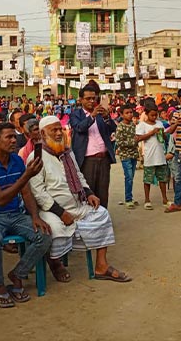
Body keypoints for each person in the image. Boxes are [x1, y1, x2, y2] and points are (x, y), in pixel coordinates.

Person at [30, 116, 131, 283]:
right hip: (52, 211)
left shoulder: (67, 152)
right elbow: (39, 193)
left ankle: (101, 266)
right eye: (53, 130)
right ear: (42, 133)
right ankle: (55, 263)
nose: (58, 133)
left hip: (77, 204)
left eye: (60, 129)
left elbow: (78, 176)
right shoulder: (36, 157)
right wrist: (61, 213)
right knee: (53, 228)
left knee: (102, 214)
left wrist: (89, 193)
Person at [0, 122, 52, 308]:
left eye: (14, 136)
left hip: (14, 215)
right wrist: (26, 176)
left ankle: (18, 274)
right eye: (8, 137)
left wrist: (34, 216)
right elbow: (0, 199)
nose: (13, 140)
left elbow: (25, 192)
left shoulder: (16, 161)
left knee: (45, 235)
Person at [69, 86, 117, 208]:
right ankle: (89, 224)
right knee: (88, 192)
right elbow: (79, 128)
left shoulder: (101, 113)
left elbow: (113, 128)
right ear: (80, 100)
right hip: (87, 160)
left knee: (103, 192)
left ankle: (103, 221)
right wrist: (92, 116)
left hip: (103, 159)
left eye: (93, 98)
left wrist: (107, 117)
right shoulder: (76, 114)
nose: (91, 101)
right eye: (88, 98)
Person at [136, 104, 177, 210]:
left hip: (160, 155)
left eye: (156, 115)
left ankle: (164, 198)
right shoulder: (142, 125)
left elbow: (164, 137)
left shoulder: (159, 123)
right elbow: (138, 138)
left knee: (162, 179)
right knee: (148, 179)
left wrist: (162, 133)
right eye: (152, 115)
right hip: (149, 156)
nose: (154, 117)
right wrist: (151, 133)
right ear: (147, 114)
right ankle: (147, 199)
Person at [115, 104, 140, 208]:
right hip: (125, 155)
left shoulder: (133, 125)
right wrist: (133, 141)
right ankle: (128, 199)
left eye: (131, 112)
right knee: (128, 177)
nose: (130, 115)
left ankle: (130, 196)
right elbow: (119, 142)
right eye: (127, 113)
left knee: (131, 176)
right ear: (121, 114)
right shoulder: (120, 127)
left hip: (134, 154)